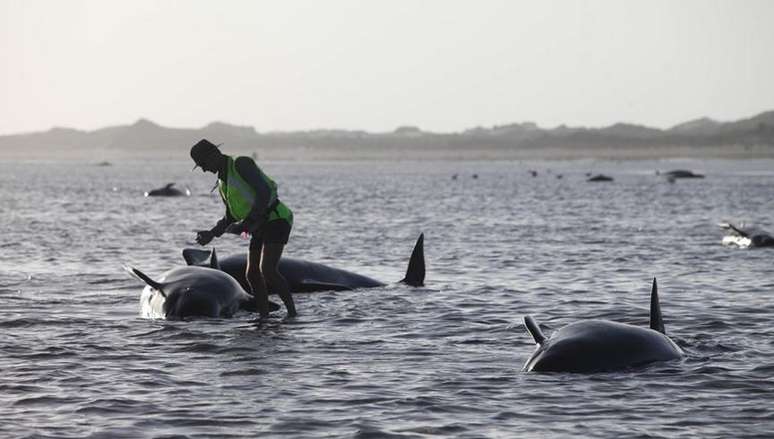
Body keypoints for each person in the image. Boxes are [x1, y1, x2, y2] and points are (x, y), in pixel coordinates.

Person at [190, 139, 297, 318]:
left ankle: (292, 314)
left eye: (203, 164)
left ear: (214, 154)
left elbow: (264, 191)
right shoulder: (222, 182)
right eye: (200, 166)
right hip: (257, 226)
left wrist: (249, 222)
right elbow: (230, 216)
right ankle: (264, 317)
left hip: (276, 219)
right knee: (252, 274)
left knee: (268, 270)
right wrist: (212, 233)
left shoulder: (241, 163)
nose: (203, 169)